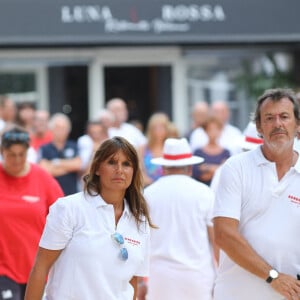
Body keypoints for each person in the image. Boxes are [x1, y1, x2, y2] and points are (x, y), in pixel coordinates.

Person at [25, 136, 155, 300]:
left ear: (134, 171)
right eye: (112, 162)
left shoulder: (140, 221)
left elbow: (132, 282)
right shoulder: (69, 208)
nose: (119, 170)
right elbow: (41, 267)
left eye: (126, 164)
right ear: (97, 168)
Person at [213, 88, 300, 300]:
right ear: (259, 127)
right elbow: (224, 235)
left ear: (297, 124)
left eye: (284, 116)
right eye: (269, 118)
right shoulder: (236, 167)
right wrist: (273, 277)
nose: (278, 123)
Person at [144, 138, 217, 300]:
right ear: (190, 168)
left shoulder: (148, 194)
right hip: (197, 277)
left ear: (163, 168)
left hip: (159, 277)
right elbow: (216, 240)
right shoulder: (204, 193)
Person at [0, 126, 63, 300]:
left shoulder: (42, 178)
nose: (17, 159)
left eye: (22, 154)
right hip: (3, 268)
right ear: (2, 152)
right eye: (11, 154)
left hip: (37, 268)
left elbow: (64, 216)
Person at [38, 113, 82, 195]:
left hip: (71, 194)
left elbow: (78, 165)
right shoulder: (44, 148)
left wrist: (55, 163)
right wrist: (69, 166)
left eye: (64, 128)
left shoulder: (74, 145)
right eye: (58, 128)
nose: (61, 131)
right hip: (51, 194)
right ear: (51, 129)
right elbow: (44, 170)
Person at [192, 115, 230, 185]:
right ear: (205, 131)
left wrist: (206, 168)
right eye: (210, 129)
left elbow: (227, 174)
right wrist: (218, 169)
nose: (213, 132)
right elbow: (197, 174)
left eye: (216, 129)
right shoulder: (198, 152)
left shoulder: (226, 153)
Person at [138, 112, 170, 186]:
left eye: (162, 127)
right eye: (155, 127)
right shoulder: (142, 149)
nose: (159, 130)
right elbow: (139, 172)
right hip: (147, 188)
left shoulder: (170, 148)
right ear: (150, 129)